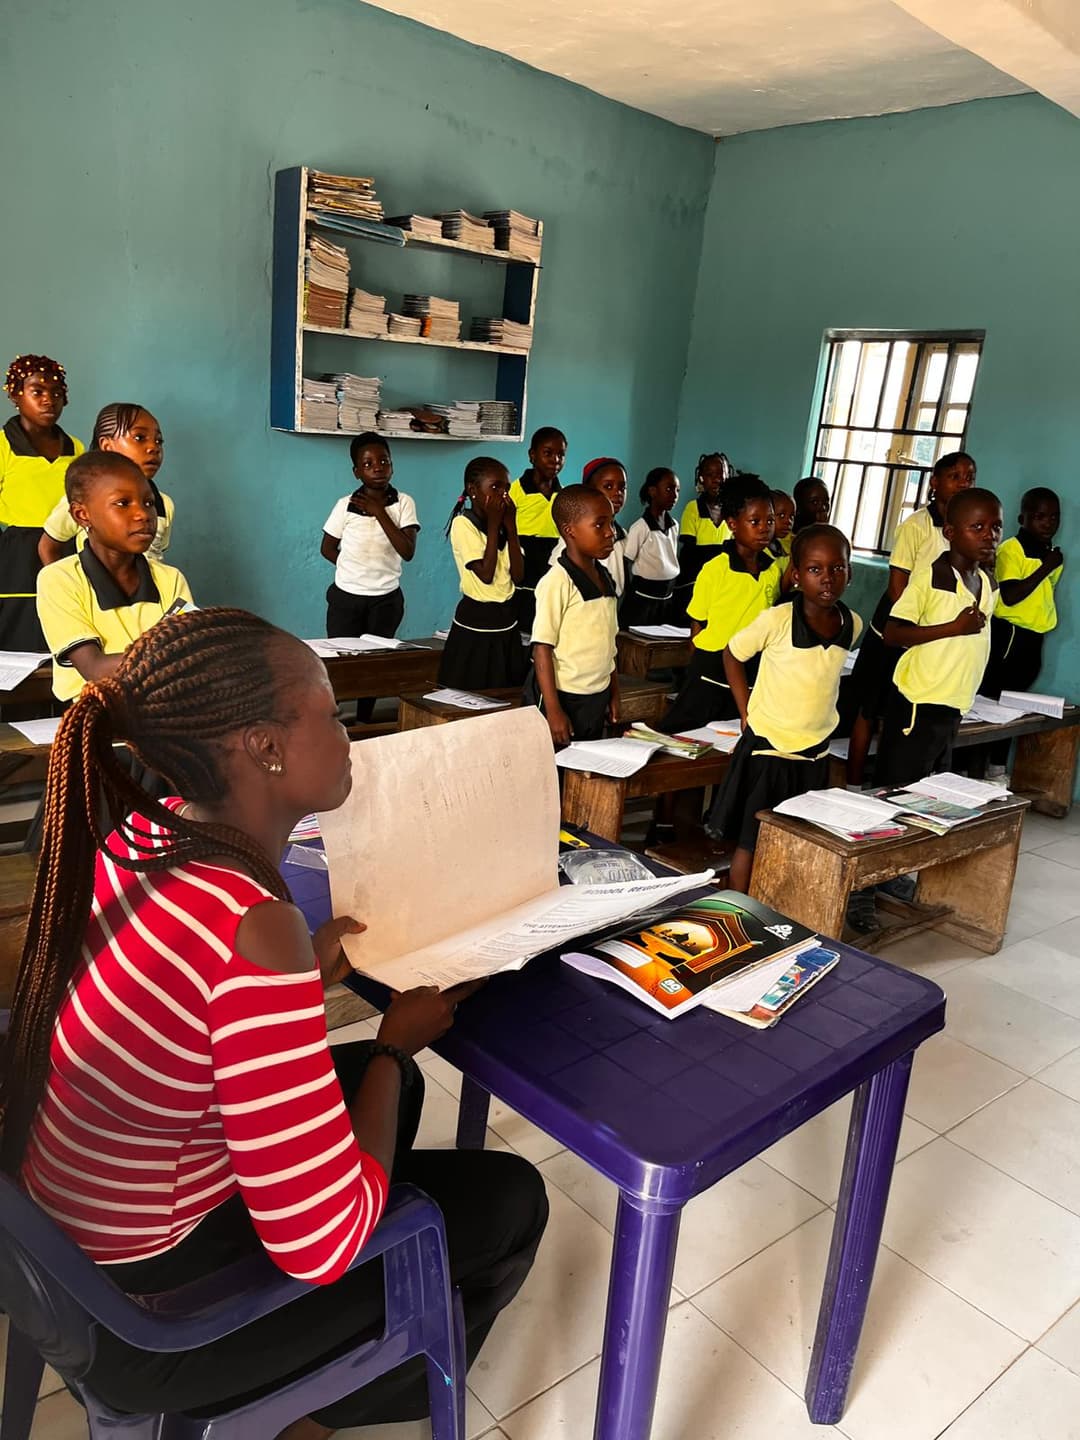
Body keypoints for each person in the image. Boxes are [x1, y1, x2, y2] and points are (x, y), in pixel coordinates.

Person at [0, 607, 548, 1438]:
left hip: (69, 1250)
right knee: (508, 1198)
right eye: (329, 714)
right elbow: (320, 1247)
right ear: (265, 746)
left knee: (366, 1084)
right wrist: (399, 1046)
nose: (347, 735)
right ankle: (309, 1415)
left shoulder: (145, 835)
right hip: (155, 1320)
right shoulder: (253, 928)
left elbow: (191, 1011)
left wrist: (310, 986)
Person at [706, 525, 860, 892]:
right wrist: (745, 711)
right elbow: (732, 654)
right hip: (769, 750)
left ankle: (778, 907)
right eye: (815, 569)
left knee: (797, 838)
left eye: (837, 568)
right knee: (751, 840)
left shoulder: (851, 623)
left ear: (849, 573)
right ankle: (739, 907)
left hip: (814, 754)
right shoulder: (777, 620)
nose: (827, 578)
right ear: (795, 574)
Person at [846, 451, 977, 787]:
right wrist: (919, 624)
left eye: (969, 477)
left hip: (929, 634)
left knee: (901, 708)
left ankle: (889, 778)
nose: (964, 483)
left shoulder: (966, 531)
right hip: (897, 624)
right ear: (934, 483)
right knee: (869, 706)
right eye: (955, 476)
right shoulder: (916, 526)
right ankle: (854, 782)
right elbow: (897, 587)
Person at [35, 452, 194, 702]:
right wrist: (171, 656)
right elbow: (95, 669)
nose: (142, 514)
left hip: (164, 711)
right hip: (93, 718)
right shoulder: (59, 579)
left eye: (149, 503)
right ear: (82, 515)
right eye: (122, 503)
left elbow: (192, 660)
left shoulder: (170, 579)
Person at [875, 487, 1002, 790]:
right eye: (978, 527)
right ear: (950, 532)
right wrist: (953, 628)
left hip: (955, 702)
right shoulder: (929, 579)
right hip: (919, 703)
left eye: (996, 526)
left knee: (931, 790)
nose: (989, 535)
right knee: (899, 788)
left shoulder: (987, 583)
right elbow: (893, 633)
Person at [662, 474, 780, 734]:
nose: (764, 528)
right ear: (732, 524)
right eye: (755, 521)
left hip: (751, 665)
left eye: (770, 520)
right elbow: (697, 622)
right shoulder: (715, 569)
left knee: (733, 734)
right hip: (711, 667)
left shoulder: (773, 568)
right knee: (689, 732)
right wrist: (697, 665)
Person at [320, 433, 419, 721]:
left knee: (374, 663)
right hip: (346, 598)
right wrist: (353, 568)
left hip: (385, 600)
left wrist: (379, 512)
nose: (377, 467)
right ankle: (334, 720)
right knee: (342, 662)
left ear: (392, 465)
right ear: (357, 471)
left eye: (384, 461)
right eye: (368, 463)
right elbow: (327, 548)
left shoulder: (403, 503)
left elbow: (407, 550)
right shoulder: (345, 505)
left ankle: (365, 717)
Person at [0, 354, 84, 649]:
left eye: (57, 393)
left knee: (67, 619)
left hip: (68, 546)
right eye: (37, 392)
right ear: (15, 394)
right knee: (20, 624)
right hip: (17, 554)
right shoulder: (3, 445)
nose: (49, 400)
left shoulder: (75, 447)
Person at [528, 484, 620, 744]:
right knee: (555, 773)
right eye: (599, 525)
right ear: (570, 531)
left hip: (597, 695)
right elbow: (542, 648)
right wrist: (554, 711)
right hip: (563, 696)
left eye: (611, 523)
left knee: (584, 775)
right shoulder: (557, 581)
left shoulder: (605, 577)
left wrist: (614, 693)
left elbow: (609, 644)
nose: (610, 533)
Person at [40, 404, 173, 565]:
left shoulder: (164, 504)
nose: (153, 447)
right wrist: (62, 584)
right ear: (107, 446)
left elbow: (157, 556)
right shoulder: (85, 498)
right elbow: (48, 547)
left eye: (158, 441)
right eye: (139, 438)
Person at [438, 457, 526, 690]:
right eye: (495, 487)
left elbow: (518, 576)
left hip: (506, 622)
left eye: (506, 489)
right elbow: (486, 575)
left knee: (506, 692)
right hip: (475, 622)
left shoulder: (505, 529)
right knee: (470, 691)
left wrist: (512, 528)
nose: (502, 495)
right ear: (473, 490)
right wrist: (495, 525)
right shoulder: (463, 524)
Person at [508, 425, 567, 632]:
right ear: (532, 455)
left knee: (544, 626)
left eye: (561, 454)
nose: (555, 460)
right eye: (548, 453)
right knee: (519, 626)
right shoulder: (515, 491)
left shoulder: (564, 497)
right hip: (521, 567)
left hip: (550, 566)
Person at [548, 457, 629, 596]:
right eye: (608, 486)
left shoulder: (621, 534)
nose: (617, 493)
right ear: (589, 490)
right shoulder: (576, 537)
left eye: (622, 487)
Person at [672, 451, 735, 622]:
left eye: (720, 474)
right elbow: (689, 552)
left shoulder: (732, 513)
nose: (716, 479)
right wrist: (720, 552)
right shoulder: (693, 509)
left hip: (722, 585)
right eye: (710, 475)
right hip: (694, 583)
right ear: (701, 479)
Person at [621, 467, 681, 627]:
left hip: (667, 595)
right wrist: (629, 592)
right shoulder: (641, 527)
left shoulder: (674, 525)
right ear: (653, 491)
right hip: (643, 598)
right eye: (669, 489)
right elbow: (627, 560)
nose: (675, 495)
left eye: (677, 490)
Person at [768, 488, 795, 573]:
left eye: (791, 516)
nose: (788, 521)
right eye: (781, 515)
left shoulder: (778, 546)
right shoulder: (759, 550)